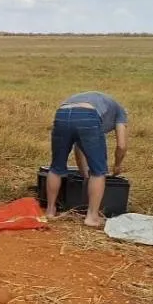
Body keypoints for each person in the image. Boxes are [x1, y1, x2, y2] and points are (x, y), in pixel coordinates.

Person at [45, 91, 128, 227]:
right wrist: (118, 165)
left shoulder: (98, 101)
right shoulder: (121, 112)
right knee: (99, 171)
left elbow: (79, 146)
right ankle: (92, 217)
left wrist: (84, 174)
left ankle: (50, 211)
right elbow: (122, 145)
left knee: (56, 167)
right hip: (87, 116)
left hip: (62, 113)